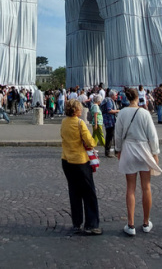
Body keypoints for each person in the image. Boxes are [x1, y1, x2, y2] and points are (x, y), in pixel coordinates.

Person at [115, 87, 161, 236]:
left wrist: (118, 150)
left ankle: (131, 224)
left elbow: (118, 134)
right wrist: (155, 153)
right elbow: (152, 136)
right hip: (143, 148)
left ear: (126, 98)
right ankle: (146, 222)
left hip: (128, 149)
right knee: (146, 187)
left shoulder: (122, 113)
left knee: (130, 188)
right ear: (138, 98)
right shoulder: (144, 113)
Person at [60, 98, 101, 235]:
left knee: (74, 192)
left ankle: (77, 223)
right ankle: (91, 225)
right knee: (89, 193)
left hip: (66, 160)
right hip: (80, 162)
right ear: (76, 110)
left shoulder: (64, 122)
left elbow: (63, 137)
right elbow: (90, 142)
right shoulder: (79, 123)